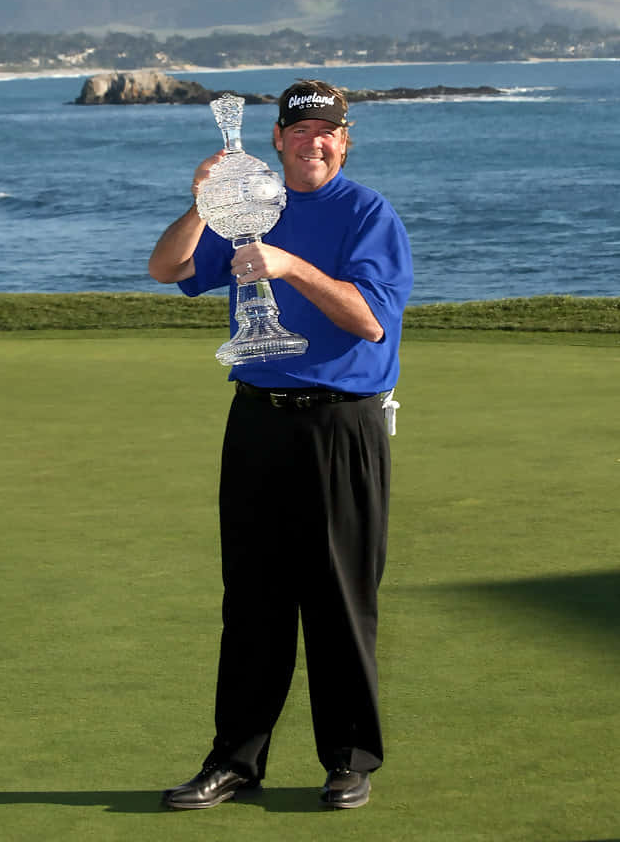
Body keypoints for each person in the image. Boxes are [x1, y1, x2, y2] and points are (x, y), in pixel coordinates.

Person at [149, 79, 413, 810]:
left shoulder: (367, 214)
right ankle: (235, 759)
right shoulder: (245, 202)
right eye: (300, 133)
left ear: (345, 139)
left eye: (326, 132)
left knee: (340, 598)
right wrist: (200, 200)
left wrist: (290, 265)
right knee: (253, 600)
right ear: (277, 140)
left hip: (341, 424)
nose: (314, 143)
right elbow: (167, 269)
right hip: (258, 417)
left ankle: (349, 760)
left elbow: (370, 322)